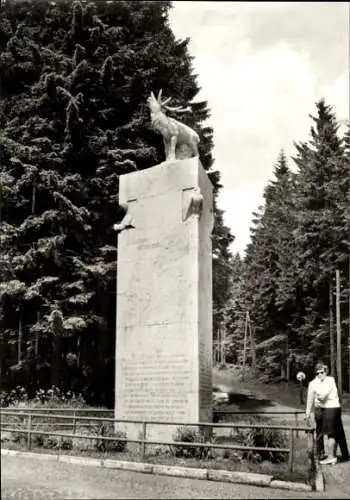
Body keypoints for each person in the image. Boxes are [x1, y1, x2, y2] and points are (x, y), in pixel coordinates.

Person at [306, 362, 349, 465]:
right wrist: (307, 413)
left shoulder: (330, 380)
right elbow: (310, 399)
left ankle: (341, 455)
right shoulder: (312, 383)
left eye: (322, 372)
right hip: (319, 409)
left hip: (331, 408)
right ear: (315, 373)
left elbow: (324, 395)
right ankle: (321, 454)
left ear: (326, 372)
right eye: (318, 373)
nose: (320, 374)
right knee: (320, 432)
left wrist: (319, 396)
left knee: (336, 432)